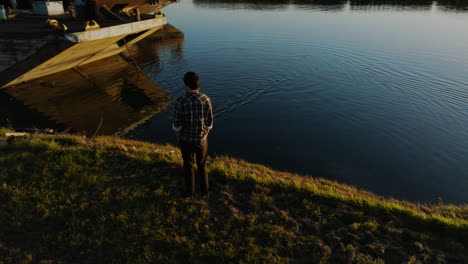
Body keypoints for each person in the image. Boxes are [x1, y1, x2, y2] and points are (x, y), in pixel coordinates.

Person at [173, 72, 213, 198]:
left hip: (185, 140)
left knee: (188, 166)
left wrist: (178, 137)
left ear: (185, 85)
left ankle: (190, 193)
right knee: (202, 165)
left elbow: (177, 125)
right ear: (197, 83)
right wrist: (205, 132)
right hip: (201, 140)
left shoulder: (180, 101)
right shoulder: (205, 99)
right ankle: (205, 191)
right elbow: (209, 122)